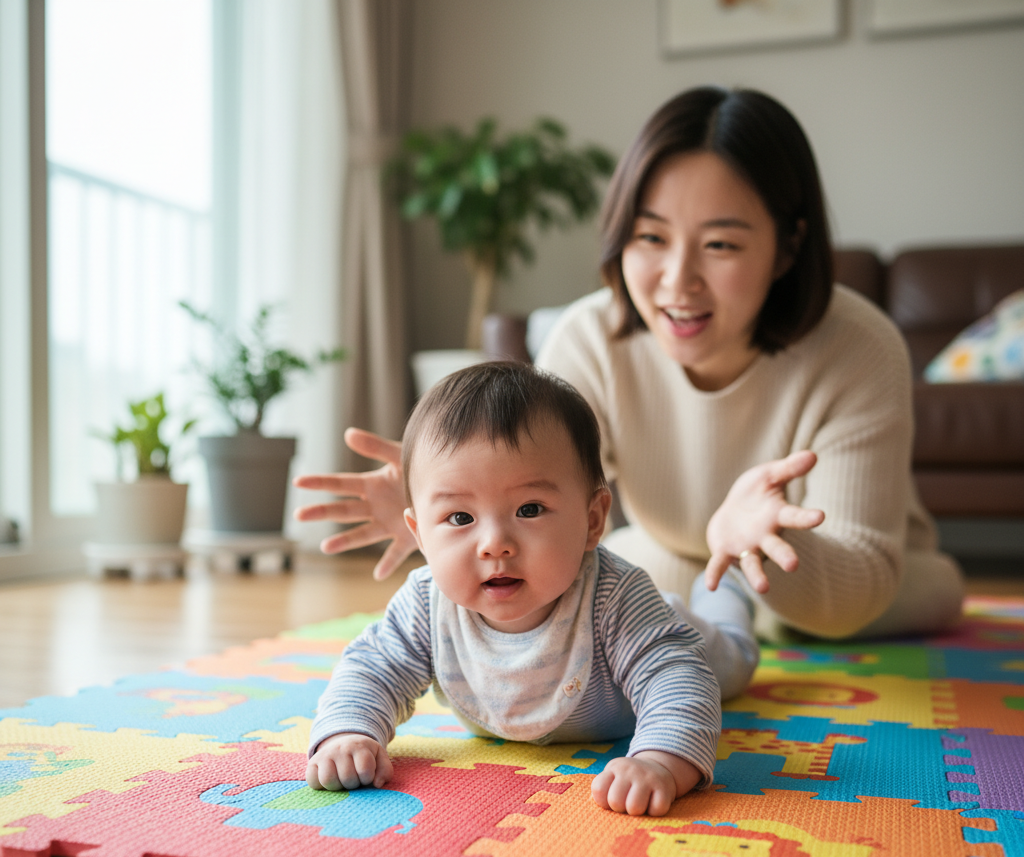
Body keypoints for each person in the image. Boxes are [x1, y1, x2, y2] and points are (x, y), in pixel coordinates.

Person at [295, 86, 963, 640]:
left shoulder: (859, 346)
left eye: (722, 245)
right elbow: (545, 510)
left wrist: (755, 546)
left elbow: (858, 584)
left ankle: (753, 606)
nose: (678, 281)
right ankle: (731, 607)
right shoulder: (590, 338)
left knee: (887, 604)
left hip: (838, 574)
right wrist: (446, 502)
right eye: (650, 237)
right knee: (609, 576)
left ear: (788, 247)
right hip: (672, 551)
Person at [307, 362, 759, 817]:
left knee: (733, 657)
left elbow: (676, 679)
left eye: (529, 509)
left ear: (593, 520)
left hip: (677, 634)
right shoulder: (426, 603)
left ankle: (726, 592)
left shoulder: (616, 598)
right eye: (460, 518)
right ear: (419, 534)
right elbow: (373, 667)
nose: (494, 544)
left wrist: (660, 761)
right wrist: (349, 732)